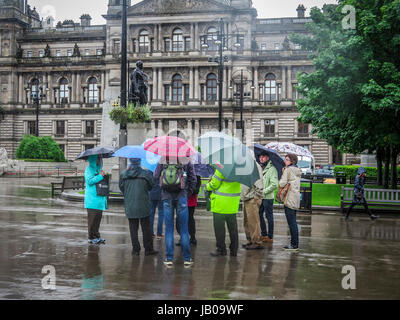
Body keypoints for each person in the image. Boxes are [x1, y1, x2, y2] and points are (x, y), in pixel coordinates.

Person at [154, 156, 196, 267]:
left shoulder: (163, 159)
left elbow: (155, 176)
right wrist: (187, 193)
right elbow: (193, 179)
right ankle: (187, 259)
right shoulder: (186, 160)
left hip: (167, 197)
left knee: (168, 229)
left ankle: (169, 259)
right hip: (182, 196)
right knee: (184, 229)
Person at [119, 158, 158, 256]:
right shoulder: (145, 174)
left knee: (133, 228)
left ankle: (136, 250)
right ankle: (148, 249)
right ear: (140, 162)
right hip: (143, 204)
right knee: (146, 228)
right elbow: (151, 185)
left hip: (130, 205)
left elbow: (121, 187)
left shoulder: (123, 175)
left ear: (130, 161)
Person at [207, 169, 241, 257]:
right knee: (233, 229)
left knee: (219, 229)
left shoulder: (221, 168)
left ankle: (221, 249)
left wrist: (207, 186)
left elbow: (214, 184)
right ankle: (234, 250)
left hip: (220, 204)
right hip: (233, 204)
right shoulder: (241, 170)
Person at [279, 153, 302, 251]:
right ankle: (294, 243)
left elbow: (281, 183)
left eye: (287, 159)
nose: (285, 161)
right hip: (295, 198)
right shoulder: (297, 170)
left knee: (292, 223)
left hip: (289, 198)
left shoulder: (288, 170)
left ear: (292, 161)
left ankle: (294, 245)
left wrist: (283, 172)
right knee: (293, 222)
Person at [84, 155, 107, 245]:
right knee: (92, 220)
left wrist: (103, 175)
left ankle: (97, 236)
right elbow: (89, 181)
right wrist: (101, 176)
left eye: (99, 159)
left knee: (97, 220)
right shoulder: (89, 169)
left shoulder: (99, 170)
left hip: (99, 199)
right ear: (92, 159)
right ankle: (91, 237)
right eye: (97, 158)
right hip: (92, 200)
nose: (98, 160)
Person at [241, 162, 264, 250]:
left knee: (253, 221)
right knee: (247, 221)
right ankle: (250, 240)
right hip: (246, 197)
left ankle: (256, 241)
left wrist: (256, 196)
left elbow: (259, 183)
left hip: (251, 198)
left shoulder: (254, 166)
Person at [176, 175, 202, 246]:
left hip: (188, 201)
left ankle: (191, 238)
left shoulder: (195, 175)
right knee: (183, 219)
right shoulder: (196, 175)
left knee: (188, 219)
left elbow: (196, 190)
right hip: (186, 200)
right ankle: (186, 238)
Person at [259, 153, 279, 243]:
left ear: (267, 158)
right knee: (259, 215)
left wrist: (264, 191)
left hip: (267, 197)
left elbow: (274, 184)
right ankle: (263, 234)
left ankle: (270, 236)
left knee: (269, 216)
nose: (261, 158)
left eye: (263, 156)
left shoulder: (272, 169)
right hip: (261, 197)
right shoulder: (261, 168)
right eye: (260, 157)